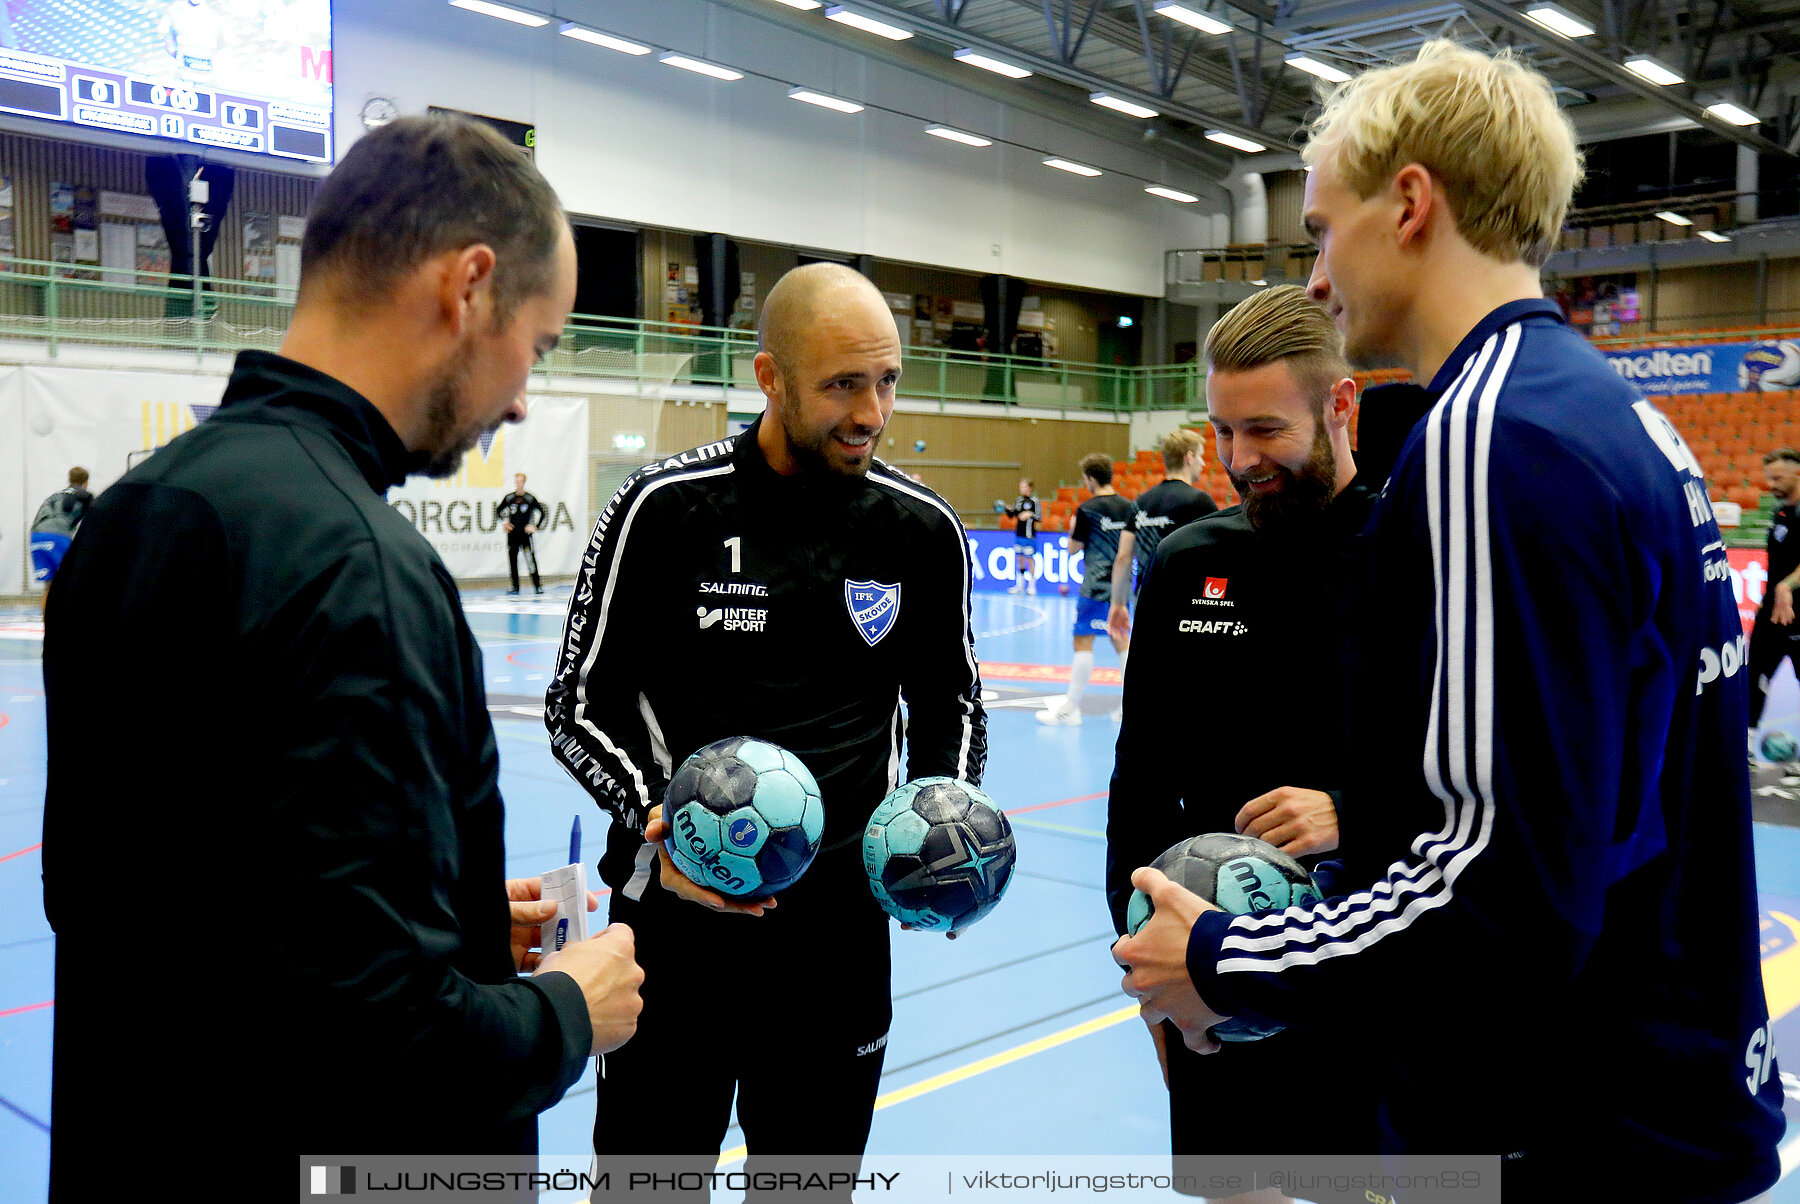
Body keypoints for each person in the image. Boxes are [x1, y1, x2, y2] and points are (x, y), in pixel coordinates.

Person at [1114, 40, 1784, 1201]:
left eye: (1323, 228)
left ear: (1411, 202)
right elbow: (1591, 806)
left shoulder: (1490, 438)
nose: (1317, 277)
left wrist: (1226, 954)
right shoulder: (1615, 417)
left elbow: (1500, 891)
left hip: (1564, 1117)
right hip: (1664, 1084)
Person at [40, 115, 645, 1195]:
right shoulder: (360, 565)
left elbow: (165, 896)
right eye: (537, 348)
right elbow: (387, 1043)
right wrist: (567, 1010)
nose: (518, 400)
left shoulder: (138, 512)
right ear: (469, 287)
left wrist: (448, 907)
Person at [545, 263, 986, 1179]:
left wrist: (941, 817)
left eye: (888, 380)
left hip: (838, 942)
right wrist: (661, 824)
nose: (871, 411)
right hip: (672, 927)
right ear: (769, 378)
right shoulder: (664, 509)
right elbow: (579, 702)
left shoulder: (920, 529)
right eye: (841, 385)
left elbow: (951, 699)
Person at [1106, 286, 1379, 1196]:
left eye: (1265, 430)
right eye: (1223, 432)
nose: (1239, 460)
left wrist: (1353, 810)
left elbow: (1491, 785)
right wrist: (1147, 971)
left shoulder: (1415, 557)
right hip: (1213, 979)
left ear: (1342, 406)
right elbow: (1140, 786)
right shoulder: (1190, 565)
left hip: (1370, 983)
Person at [1038, 452, 1134, 725]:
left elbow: (1072, 549)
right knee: (1121, 643)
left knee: (1082, 642)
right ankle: (1129, 708)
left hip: (1094, 587)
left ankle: (1071, 709)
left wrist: (1072, 530)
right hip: (1121, 587)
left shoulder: (1087, 509)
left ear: (1091, 479)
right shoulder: (1129, 507)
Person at [1105, 428, 1217, 641]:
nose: (1203, 463)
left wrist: (1118, 603)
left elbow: (1123, 557)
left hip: (1146, 598)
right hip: (1186, 600)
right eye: (1201, 456)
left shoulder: (1140, 502)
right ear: (1189, 457)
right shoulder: (1200, 502)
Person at [1750, 447, 1799, 745]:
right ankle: (1747, 737)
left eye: (1778, 478)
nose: (1771, 485)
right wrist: (1771, 594)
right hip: (1771, 611)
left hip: (1797, 611)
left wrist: (1787, 586)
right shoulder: (1778, 511)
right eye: (1769, 478)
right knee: (1754, 673)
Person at [28, 466, 92, 615]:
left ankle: (48, 626)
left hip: (36, 537)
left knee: (49, 587)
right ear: (86, 482)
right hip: (58, 536)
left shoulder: (55, 495)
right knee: (72, 582)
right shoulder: (85, 496)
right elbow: (95, 522)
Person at [500, 470, 547, 595]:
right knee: (513, 561)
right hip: (513, 535)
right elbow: (499, 510)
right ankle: (515, 586)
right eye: (517, 482)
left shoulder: (529, 498)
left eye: (520, 482)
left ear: (524, 482)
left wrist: (534, 526)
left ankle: (537, 586)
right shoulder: (510, 498)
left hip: (525, 536)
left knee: (530, 560)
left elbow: (542, 513)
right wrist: (505, 523)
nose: (518, 484)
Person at [1002, 477, 1041, 594]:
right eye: (1020, 486)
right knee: (1020, 559)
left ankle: (1032, 585)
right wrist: (1007, 509)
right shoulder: (1018, 500)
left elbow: (1039, 517)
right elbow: (1012, 514)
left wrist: (1029, 514)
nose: (1021, 489)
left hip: (1029, 535)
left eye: (1023, 486)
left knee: (1029, 559)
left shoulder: (1034, 501)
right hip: (1019, 533)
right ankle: (1020, 584)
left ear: (1029, 488)